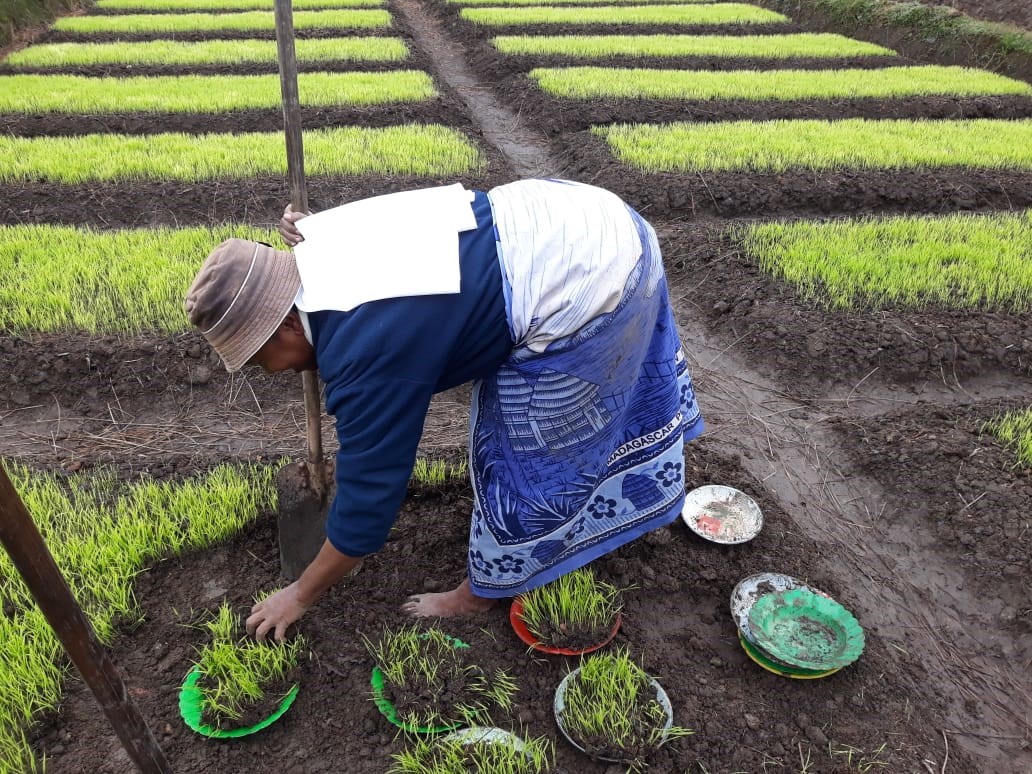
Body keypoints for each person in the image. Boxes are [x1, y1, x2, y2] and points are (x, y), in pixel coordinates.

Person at [184, 179, 703, 642]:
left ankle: (482, 592)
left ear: (288, 327)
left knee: (527, 458)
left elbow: (369, 504)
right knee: (521, 426)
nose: (269, 372)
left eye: (259, 358)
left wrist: (299, 595)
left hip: (586, 278)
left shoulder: (363, 353)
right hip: (578, 212)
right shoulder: (323, 242)